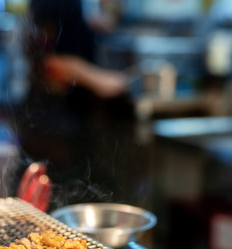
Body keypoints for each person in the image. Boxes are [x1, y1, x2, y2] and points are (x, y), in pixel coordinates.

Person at [16, 0, 141, 210]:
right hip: (55, 128)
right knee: (52, 209)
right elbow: (53, 64)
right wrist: (101, 80)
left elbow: (51, 37)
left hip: (47, 122)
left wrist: (86, 24)